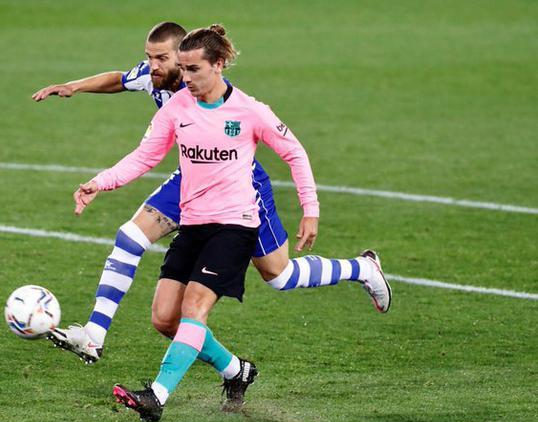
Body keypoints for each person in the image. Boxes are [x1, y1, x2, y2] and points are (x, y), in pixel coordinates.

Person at [32, 22, 391, 366]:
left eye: (162, 59)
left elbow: (290, 149)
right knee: (130, 237)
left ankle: (362, 268)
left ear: (186, 59)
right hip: (190, 178)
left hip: (238, 186)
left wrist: (310, 208)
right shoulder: (154, 77)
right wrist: (74, 87)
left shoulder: (214, 92)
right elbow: (120, 83)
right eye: (149, 57)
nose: (153, 66)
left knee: (279, 276)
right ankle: (94, 334)